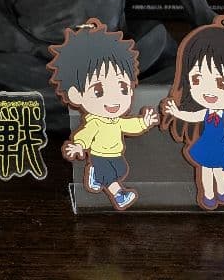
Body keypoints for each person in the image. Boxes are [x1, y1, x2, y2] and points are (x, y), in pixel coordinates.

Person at [48, 18, 158, 210]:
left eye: (122, 88)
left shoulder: (117, 120)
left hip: (116, 154)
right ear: (76, 95)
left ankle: (95, 176)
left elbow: (130, 125)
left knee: (120, 170)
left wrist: (144, 122)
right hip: (99, 155)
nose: (114, 99)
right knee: (111, 178)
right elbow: (85, 135)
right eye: (98, 91)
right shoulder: (94, 122)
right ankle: (119, 194)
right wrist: (79, 146)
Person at [160, 16, 224, 210]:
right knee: (206, 171)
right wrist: (176, 111)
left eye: (221, 83)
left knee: (218, 173)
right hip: (205, 147)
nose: (208, 91)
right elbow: (192, 116)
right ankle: (208, 195)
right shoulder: (206, 113)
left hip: (220, 149)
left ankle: (222, 191)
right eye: (197, 79)